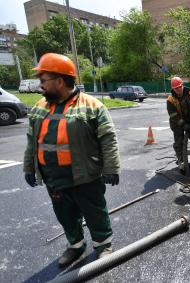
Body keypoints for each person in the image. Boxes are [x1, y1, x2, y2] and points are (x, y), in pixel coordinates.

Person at [23, 53, 120, 267]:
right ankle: (75, 245)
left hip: (85, 175)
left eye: (43, 80)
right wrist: (29, 167)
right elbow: (32, 140)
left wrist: (111, 168)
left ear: (59, 81)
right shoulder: (39, 107)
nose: (40, 86)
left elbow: (108, 138)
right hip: (53, 178)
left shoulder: (92, 106)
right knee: (65, 214)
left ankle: (103, 245)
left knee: (95, 212)